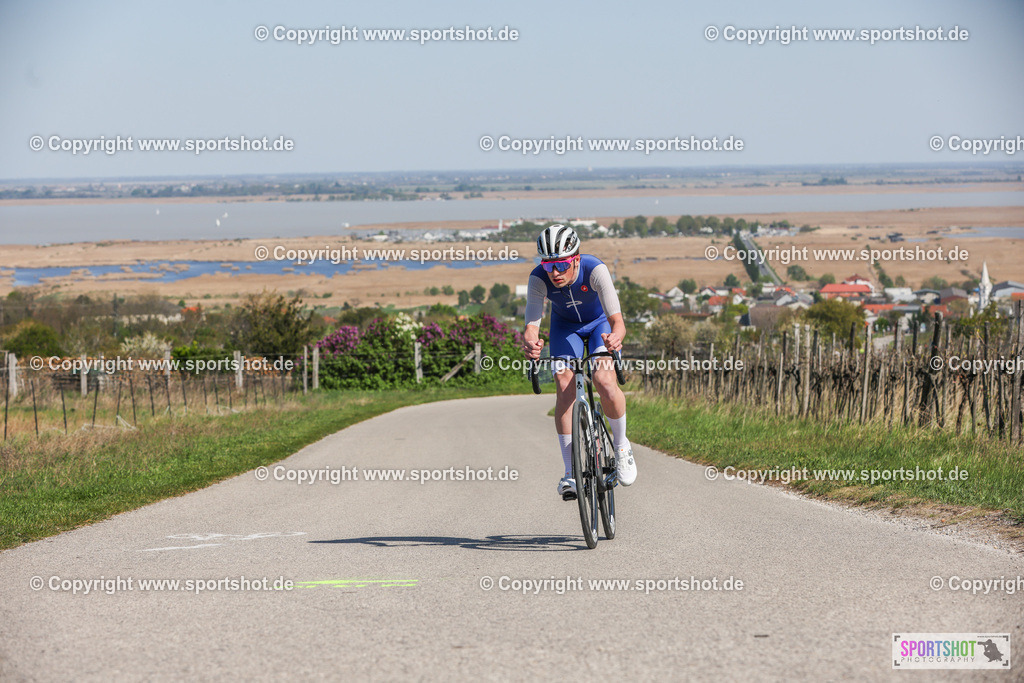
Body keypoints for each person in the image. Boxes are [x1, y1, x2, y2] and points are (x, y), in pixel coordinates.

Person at [521, 224, 637, 500]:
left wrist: (616, 340)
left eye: (561, 265)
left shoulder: (594, 269)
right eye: (549, 266)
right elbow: (532, 325)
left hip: (599, 325)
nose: (555, 273)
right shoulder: (538, 279)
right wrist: (530, 342)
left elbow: (617, 323)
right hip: (565, 328)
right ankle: (570, 471)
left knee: (604, 379)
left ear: (575, 259)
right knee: (564, 383)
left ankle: (622, 447)